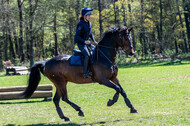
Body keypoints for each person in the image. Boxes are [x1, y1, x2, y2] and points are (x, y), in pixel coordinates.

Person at [74, 7, 98, 78]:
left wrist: (94, 41)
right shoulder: (81, 24)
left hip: (87, 43)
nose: (90, 16)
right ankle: (85, 73)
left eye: (90, 15)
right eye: (88, 15)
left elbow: (90, 34)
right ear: (84, 16)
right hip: (81, 43)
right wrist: (84, 41)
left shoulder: (89, 24)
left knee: (96, 51)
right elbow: (77, 36)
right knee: (87, 55)